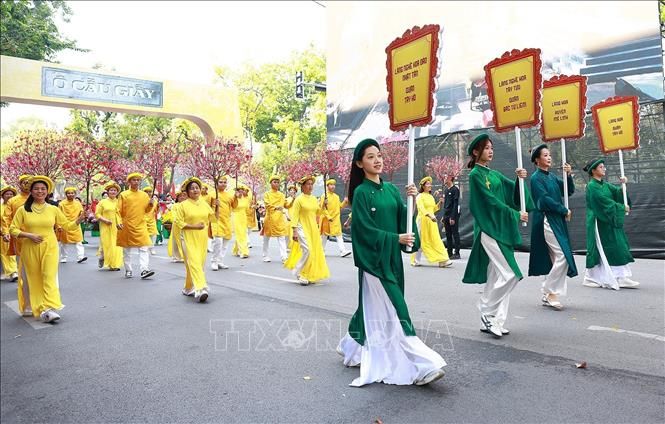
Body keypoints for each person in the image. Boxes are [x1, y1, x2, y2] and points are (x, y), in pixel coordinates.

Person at [336, 138, 446, 387]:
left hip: (392, 260)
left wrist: (411, 202)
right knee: (397, 310)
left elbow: (403, 224)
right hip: (374, 263)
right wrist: (395, 238)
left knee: (374, 309)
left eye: (379, 155)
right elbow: (362, 230)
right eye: (370, 157)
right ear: (359, 163)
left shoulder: (392, 190)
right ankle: (424, 366)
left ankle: (350, 344)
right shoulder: (361, 193)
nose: (377, 160)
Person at [462, 134, 533, 338]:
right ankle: (486, 309)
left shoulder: (494, 175)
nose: (490, 151)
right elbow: (489, 202)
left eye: (491, 147)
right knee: (511, 274)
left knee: (497, 275)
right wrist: (515, 214)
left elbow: (514, 193)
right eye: (486, 148)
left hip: (501, 229)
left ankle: (496, 320)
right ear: (476, 152)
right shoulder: (475, 175)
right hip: (489, 229)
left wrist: (520, 179)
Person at [9, 176, 85, 322]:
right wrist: (29, 235)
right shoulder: (23, 210)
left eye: (43, 189)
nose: (40, 191)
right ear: (31, 191)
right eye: (36, 189)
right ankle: (40, 308)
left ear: (47, 191)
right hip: (30, 248)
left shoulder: (53, 209)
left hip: (50, 247)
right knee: (34, 278)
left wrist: (79, 220)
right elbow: (13, 229)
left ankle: (48, 307)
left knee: (49, 276)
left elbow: (67, 226)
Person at [528, 144, 577, 310]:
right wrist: (563, 210)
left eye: (549, 155)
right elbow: (544, 200)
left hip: (557, 219)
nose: (549, 157)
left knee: (556, 258)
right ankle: (550, 292)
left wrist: (568, 175)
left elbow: (568, 191)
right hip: (546, 219)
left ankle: (548, 293)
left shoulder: (552, 177)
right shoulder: (536, 178)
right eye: (545, 155)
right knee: (562, 255)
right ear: (537, 159)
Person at [582, 159, 639, 290]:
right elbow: (602, 202)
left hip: (609, 221)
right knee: (605, 248)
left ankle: (621, 276)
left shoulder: (605, 185)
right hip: (600, 221)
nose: (604, 169)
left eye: (604, 167)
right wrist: (621, 208)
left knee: (617, 246)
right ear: (593, 170)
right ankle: (593, 277)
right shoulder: (592, 186)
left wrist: (623, 186)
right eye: (601, 167)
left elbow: (617, 193)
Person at [175, 177, 218, 302]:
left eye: (197, 188)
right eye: (192, 188)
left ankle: (188, 288)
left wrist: (217, 207)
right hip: (187, 237)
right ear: (187, 192)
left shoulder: (204, 203)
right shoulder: (182, 205)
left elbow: (213, 218)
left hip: (201, 238)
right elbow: (178, 222)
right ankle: (201, 289)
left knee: (198, 264)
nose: (195, 190)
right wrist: (194, 226)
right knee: (193, 262)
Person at [284, 176, 329, 286]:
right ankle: (299, 272)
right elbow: (294, 216)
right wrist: (294, 231)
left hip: (312, 228)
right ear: (302, 186)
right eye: (308, 184)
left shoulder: (313, 199)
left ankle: (307, 273)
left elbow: (317, 212)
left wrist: (324, 204)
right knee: (307, 249)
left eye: (311, 184)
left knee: (312, 251)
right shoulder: (298, 200)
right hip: (301, 227)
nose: (310, 186)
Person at [2, 175, 32, 315]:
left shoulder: (38, 199)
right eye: (24, 182)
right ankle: (27, 303)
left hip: (40, 240)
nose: (27, 184)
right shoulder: (13, 201)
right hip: (21, 240)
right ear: (20, 185)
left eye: (29, 182)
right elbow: (6, 219)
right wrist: (6, 232)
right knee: (25, 271)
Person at [116, 172, 156, 279]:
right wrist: (118, 221)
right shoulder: (123, 195)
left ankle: (144, 270)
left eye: (138, 180)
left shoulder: (144, 195)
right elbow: (118, 211)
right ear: (129, 182)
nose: (136, 182)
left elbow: (146, 210)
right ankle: (128, 270)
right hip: (127, 225)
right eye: (134, 180)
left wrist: (151, 204)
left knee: (144, 247)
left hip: (141, 225)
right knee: (127, 250)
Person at [410, 176, 452, 268]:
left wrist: (439, 203)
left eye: (430, 183)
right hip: (422, 221)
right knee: (419, 241)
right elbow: (421, 208)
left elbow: (433, 209)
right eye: (428, 184)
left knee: (436, 239)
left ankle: (443, 260)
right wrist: (429, 216)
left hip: (431, 221)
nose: (430, 185)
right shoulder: (420, 196)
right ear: (423, 186)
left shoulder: (430, 197)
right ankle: (415, 260)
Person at [319, 178, 352, 258]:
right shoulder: (324, 196)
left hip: (335, 219)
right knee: (324, 236)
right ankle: (321, 251)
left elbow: (339, 207)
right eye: (331, 185)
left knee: (339, 235)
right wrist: (328, 216)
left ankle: (342, 251)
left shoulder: (336, 197)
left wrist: (345, 202)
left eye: (334, 185)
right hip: (326, 219)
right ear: (327, 186)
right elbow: (322, 208)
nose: (333, 186)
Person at [210, 176, 237, 270]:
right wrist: (214, 204)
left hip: (226, 220)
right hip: (216, 220)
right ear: (216, 183)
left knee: (225, 243)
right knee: (218, 242)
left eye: (224, 182)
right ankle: (214, 261)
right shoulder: (212, 194)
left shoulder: (229, 195)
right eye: (220, 182)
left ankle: (220, 261)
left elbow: (234, 206)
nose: (223, 184)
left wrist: (236, 197)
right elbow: (206, 207)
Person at [95, 181, 123, 271]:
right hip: (105, 226)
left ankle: (114, 264)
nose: (113, 192)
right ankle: (102, 257)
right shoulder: (102, 202)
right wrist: (105, 220)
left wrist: (121, 223)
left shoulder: (119, 202)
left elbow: (122, 214)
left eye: (115, 190)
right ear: (108, 191)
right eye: (111, 190)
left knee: (116, 245)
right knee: (107, 244)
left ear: (117, 192)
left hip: (117, 226)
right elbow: (97, 214)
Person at [262, 175, 289, 263]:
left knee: (281, 237)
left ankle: (284, 257)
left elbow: (286, 205)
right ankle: (265, 255)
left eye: (278, 182)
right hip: (269, 219)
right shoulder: (267, 194)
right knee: (266, 238)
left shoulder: (281, 195)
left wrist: (292, 199)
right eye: (275, 182)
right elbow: (267, 205)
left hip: (279, 219)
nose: (276, 184)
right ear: (271, 183)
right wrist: (276, 207)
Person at [57, 187, 87, 264]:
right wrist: (59, 226)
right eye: (68, 193)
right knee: (64, 242)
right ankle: (63, 258)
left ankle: (80, 257)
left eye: (72, 193)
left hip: (76, 224)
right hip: (65, 224)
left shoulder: (78, 203)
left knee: (79, 241)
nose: (70, 194)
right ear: (66, 194)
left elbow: (81, 213)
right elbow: (58, 215)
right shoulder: (61, 204)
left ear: (75, 194)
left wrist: (83, 216)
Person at [0, 186, 18, 281]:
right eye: (7, 194)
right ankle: (10, 272)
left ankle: (14, 271)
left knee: (13, 252)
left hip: (14, 232)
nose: (9, 196)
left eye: (11, 194)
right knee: (4, 253)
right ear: (3, 196)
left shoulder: (16, 206)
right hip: (2, 233)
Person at [442, 175, 461, 259]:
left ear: (450, 178)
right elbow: (446, 204)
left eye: (446, 177)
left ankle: (457, 253)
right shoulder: (446, 190)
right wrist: (444, 216)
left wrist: (452, 217)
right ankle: (449, 252)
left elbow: (455, 204)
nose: (444, 179)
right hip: (446, 215)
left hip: (453, 216)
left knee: (455, 233)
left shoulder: (455, 189)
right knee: (448, 234)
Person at [167, 191, 188, 263]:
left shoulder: (188, 205)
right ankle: (176, 257)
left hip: (186, 225)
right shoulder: (175, 206)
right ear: (177, 198)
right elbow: (174, 215)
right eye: (180, 196)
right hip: (176, 225)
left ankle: (185, 256)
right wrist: (179, 221)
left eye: (184, 196)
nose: (182, 197)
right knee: (175, 241)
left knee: (185, 241)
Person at [231, 184, 250, 259]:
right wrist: (235, 197)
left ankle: (236, 250)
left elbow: (247, 209)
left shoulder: (245, 199)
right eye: (239, 190)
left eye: (242, 190)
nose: (241, 191)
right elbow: (232, 206)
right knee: (240, 234)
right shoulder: (233, 199)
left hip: (243, 217)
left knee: (243, 233)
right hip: (236, 216)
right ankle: (244, 251)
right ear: (236, 191)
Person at [142, 187, 159, 255]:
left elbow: (156, 210)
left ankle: (152, 248)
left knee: (154, 234)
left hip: (152, 220)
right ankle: (145, 246)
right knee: (145, 234)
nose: (148, 193)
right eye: (147, 192)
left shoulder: (154, 201)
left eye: (150, 192)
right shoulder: (141, 200)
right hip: (144, 220)